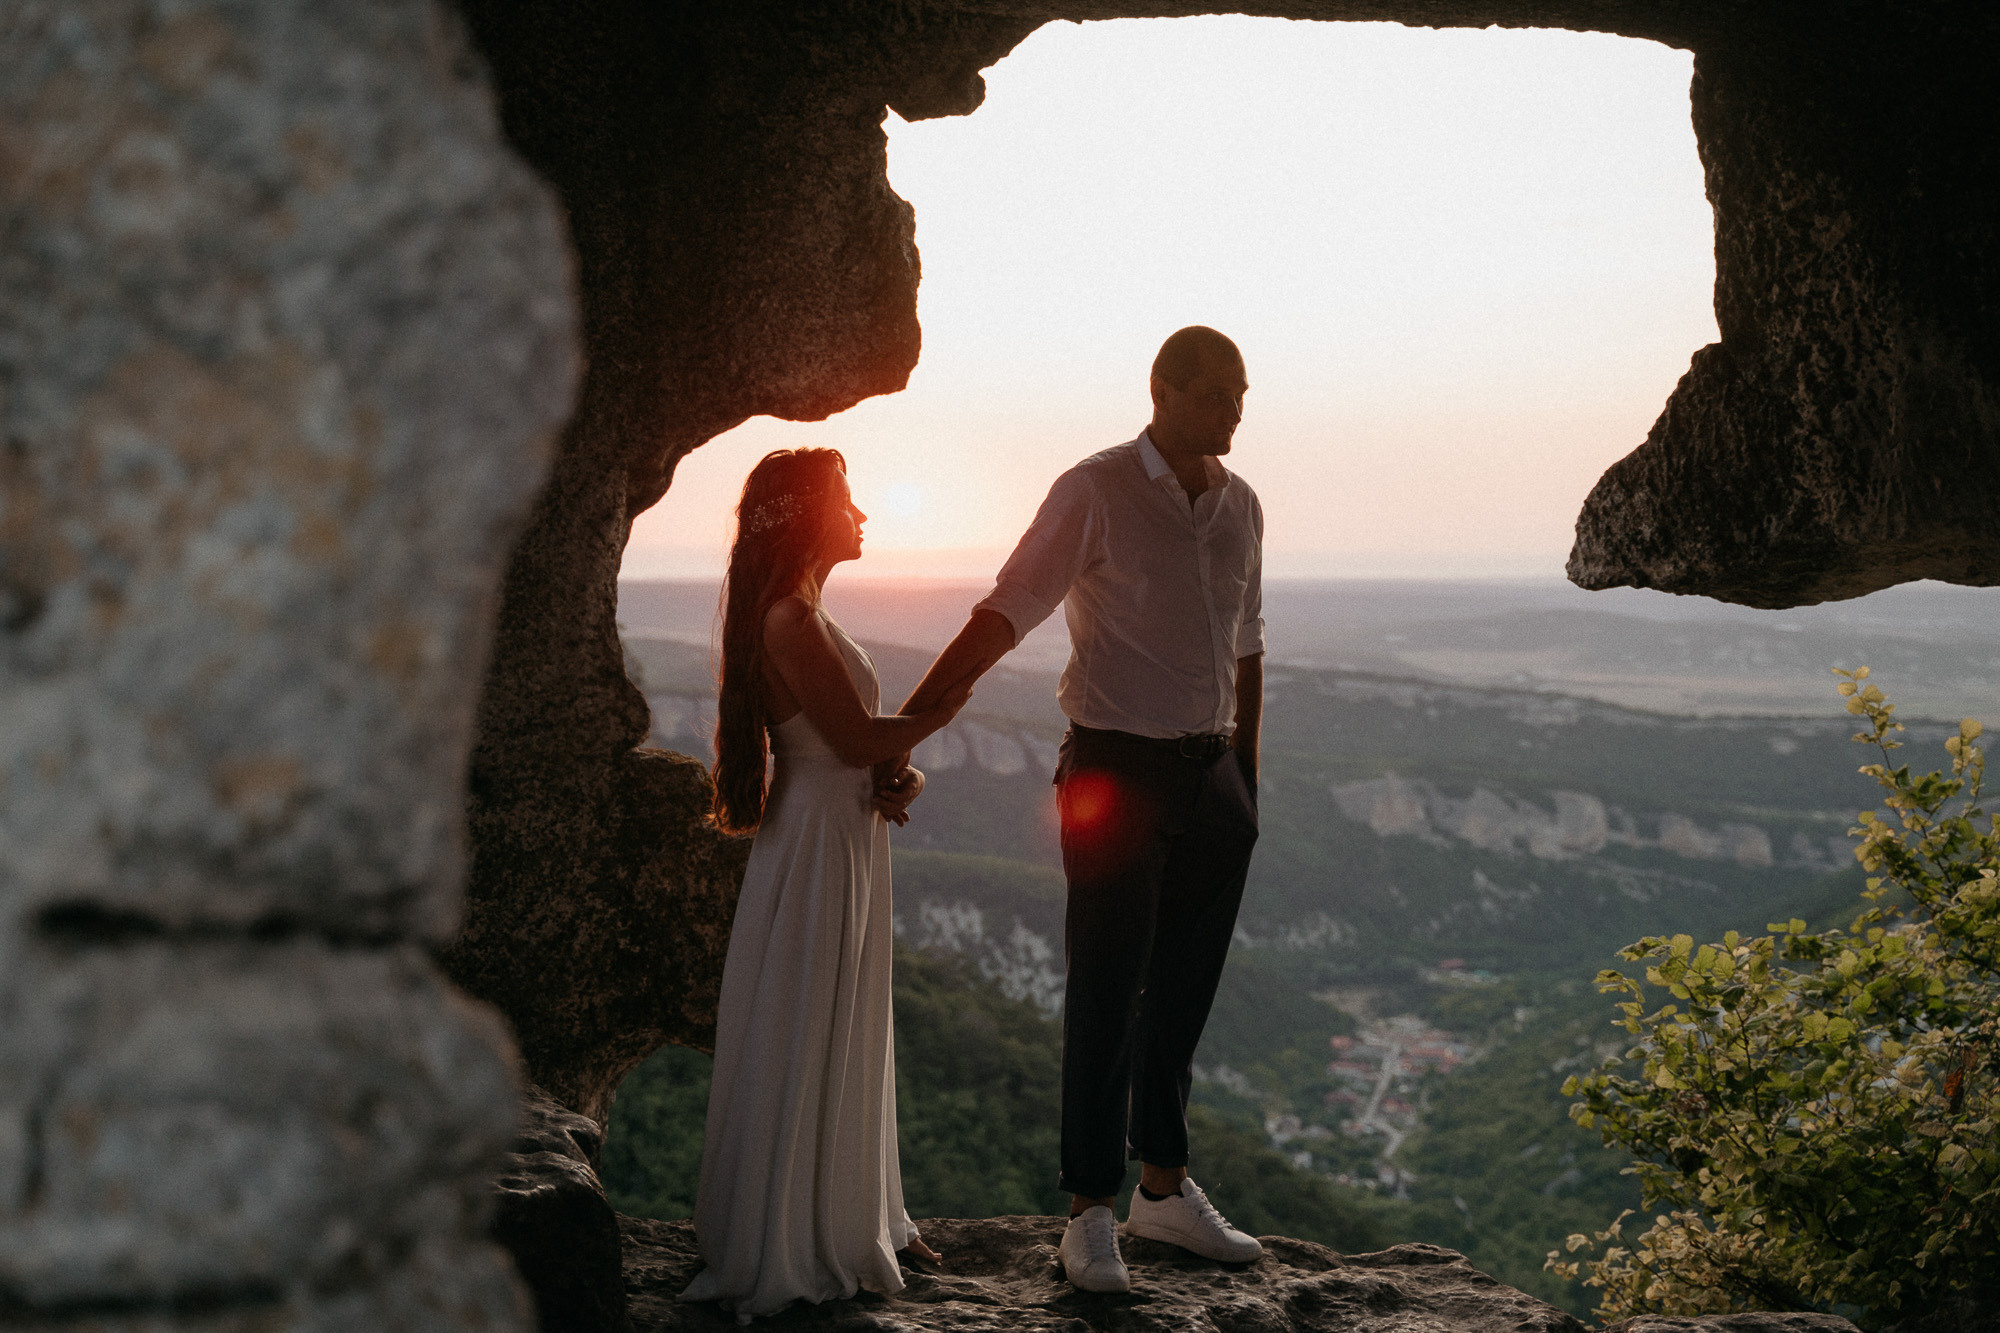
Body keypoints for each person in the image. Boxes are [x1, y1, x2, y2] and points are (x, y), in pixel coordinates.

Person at [898, 326, 1267, 1293]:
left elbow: (1248, 646)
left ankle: (1165, 1187)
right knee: (1107, 989)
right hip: (1115, 771)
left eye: (1242, 393)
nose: (1236, 410)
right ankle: (1088, 1212)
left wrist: (1246, 782)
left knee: (1181, 994)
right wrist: (910, 726)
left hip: (1210, 779)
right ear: (1163, 389)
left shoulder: (1243, 506)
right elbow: (1009, 605)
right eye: (1219, 393)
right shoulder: (1095, 489)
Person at [681, 447, 971, 1324]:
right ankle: (799, 1232)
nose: (864, 515)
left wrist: (904, 775)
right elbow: (849, 738)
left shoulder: (801, 610)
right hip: (815, 839)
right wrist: (948, 707)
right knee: (811, 1020)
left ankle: (854, 1212)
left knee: (841, 1018)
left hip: (838, 829)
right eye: (849, 500)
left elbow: (859, 749)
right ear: (809, 514)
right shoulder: (787, 617)